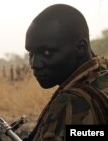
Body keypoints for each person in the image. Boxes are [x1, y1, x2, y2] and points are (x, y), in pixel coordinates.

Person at [24, 4, 108, 141]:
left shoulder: (71, 102)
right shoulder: (102, 75)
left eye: (47, 52)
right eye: (31, 53)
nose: (35, 64)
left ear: (80, 47)